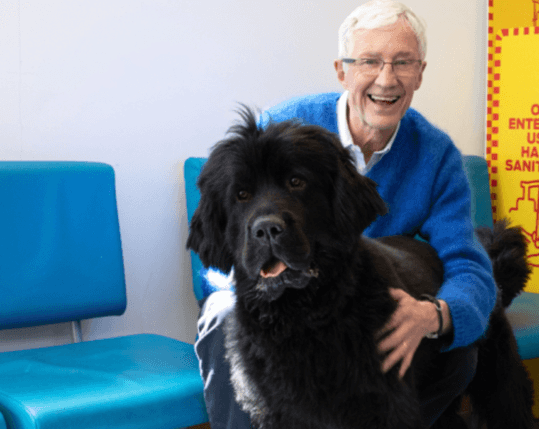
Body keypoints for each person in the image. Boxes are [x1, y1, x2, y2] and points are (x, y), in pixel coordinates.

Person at [194, 1, 496, 428]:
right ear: (342, 70)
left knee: (458, 346)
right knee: (227, 316)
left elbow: (467, 264)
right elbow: (224, 232)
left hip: (356, 295)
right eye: (369, 61)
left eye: (402, 62)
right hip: (265, 294)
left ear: (420, 73)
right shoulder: (281, 127)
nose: (386, 79)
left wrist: (434, 315)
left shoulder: (437, 156)